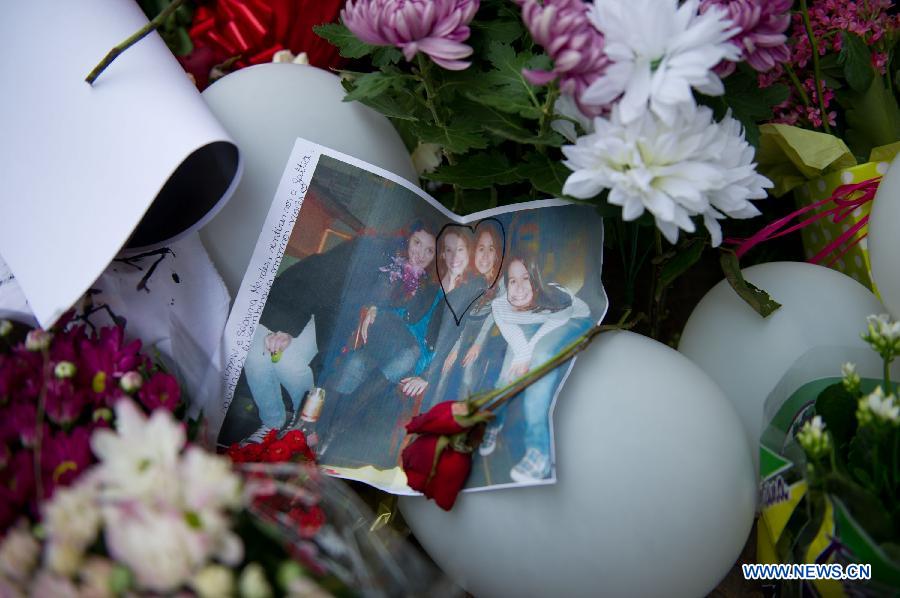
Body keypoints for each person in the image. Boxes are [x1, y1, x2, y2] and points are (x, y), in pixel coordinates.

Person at [316, 220, 444, 468]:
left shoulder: (432, 289)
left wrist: (426, 372)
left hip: (404, 353)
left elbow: (431, 338)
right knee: (360, 361)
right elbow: (372, 301)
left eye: (429, 250)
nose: (420, 254)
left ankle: (331, 431)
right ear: (408, 240)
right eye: (417, 243)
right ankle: (324, 431)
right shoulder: (391, 269)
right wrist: (373, 307)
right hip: (384, 342)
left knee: (364, 361)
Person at [481, 255, 592, 483]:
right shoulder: (501, 306)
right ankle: (494, 420)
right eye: (513, 280)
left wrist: (528, 355)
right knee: (508, 372)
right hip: (534, 322)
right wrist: (521, 356)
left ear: (537, 280)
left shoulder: (556, 296)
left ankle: (539, 453)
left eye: (526, 279)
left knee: (540, 359)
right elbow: (514, 336)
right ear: (505, 284)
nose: (519, 287)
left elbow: (547, 333)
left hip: (569, 320)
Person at [431, 223, 506, 407]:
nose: (486, 256)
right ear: (474, 251)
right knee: (444, 366)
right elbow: (459, 319)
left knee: (469, 369)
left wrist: (478, 344)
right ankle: (431, 414)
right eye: (481, 249)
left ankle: (464, 418)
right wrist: (455, 347)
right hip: (463, 329)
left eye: (491, 249)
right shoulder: (470, 278)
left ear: (497, 254)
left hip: (486, 330)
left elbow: (493, 316)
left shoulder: (502, 280)